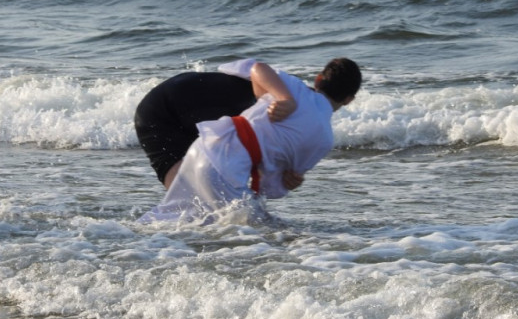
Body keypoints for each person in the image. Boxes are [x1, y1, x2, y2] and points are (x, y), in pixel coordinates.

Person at [137, 57, 361, 224]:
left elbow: (255, 66)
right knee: (262, 230)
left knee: (178, 218)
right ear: (349, 100)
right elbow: (270, 189)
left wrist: (283, 97)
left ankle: (130, 241)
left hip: (205, 144)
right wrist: (286, 182)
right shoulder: (324, 139)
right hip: (207, 153)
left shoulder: (291, 86)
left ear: (318, 79)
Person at [134, 69, 258, 189]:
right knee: (192, 195)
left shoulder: (261, 95)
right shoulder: (262, 107)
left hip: (166, 100)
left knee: (190, 194)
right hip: (169, 107)